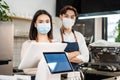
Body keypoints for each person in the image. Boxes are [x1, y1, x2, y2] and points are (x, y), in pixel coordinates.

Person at [53, 5, 89, 71]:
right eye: (66, 16)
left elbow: (86, 58)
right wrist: (77, 53)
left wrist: (64, 56)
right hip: (59, 73)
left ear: (75, 19)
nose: (69, 19)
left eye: (72, 17)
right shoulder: (54, 34)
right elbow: (55, 57)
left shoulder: (79, 36)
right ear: (61, 17)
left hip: (75, 74)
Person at [20, 9, 53, 80]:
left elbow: (59, 66)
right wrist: (49, 68)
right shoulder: (27, 45)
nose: (44, 24)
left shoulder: (55, 44)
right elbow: (27, 70)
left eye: (47, 21)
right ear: (35, 24)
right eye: (41, 22)